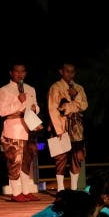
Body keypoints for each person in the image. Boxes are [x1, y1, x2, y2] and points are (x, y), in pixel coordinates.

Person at [0, 62, 42, 202]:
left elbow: (35, 107)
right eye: (17, 71)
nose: (20, 74)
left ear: (25, 73)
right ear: (11, 73)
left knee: (27, 162)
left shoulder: (30, 89)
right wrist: (18, 101)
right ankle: (16, 193)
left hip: (29, 128)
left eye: (22, 72)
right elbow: (2, 111)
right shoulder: (4, 90)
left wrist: (36, 109)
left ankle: (26, 191)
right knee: (14, 161)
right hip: (13, 129)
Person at [48, 62, 88, 192]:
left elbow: (84, 105)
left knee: (77, 157)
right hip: (62, 125)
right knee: (61, 157)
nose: (70, 74)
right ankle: (60, 189)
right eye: (67, 71)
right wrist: (58, 130)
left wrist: (74, 97)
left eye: (72, 71)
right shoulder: (56, 87)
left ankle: (74, 188)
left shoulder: (79, 88)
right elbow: (53, 109)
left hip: (76, 127)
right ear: (61, 72)